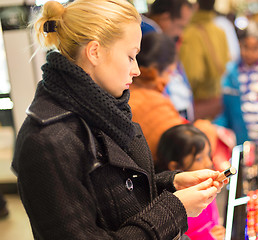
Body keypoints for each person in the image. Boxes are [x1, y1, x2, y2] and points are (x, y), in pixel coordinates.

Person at [11, 1, 225, 239]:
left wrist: (172, 183)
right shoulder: (46, 140)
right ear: (95, 52)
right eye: (131, 56)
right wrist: (175, 209)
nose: (137, 70)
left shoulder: (104, 108)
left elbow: (116, 192)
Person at [129, 32, 219, 167]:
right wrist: (207, 129)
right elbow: (187, 150)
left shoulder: (125, 93)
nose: (169, 79)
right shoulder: (154, 103)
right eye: (169, 72)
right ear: (154, 71)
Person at [156, 124, 226, 240]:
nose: (208, 163)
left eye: (208, 155)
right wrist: (207, 236)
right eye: (199, 158)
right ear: (175, 166)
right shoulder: (176, 202)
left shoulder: (205, 184)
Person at [141, 0, 196, 121]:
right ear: (165, 18)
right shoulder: (149, 37)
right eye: (180, 26)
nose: (180, 34)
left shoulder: (158, 37)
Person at [179, 0, 230, 120]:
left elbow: (193, 74)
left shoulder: (190, 33)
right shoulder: (220, 31)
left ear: (195, 6)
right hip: (217, 103)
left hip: (198, 105)